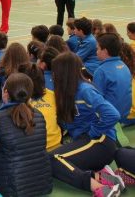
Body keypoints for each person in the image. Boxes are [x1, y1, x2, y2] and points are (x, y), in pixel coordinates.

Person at [50, 52, 124, 197]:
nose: (53, 74)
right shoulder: (66, 91)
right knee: (51, 161)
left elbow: (113, 114)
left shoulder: (85, 90)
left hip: (100, 142)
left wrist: (93, 132)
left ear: (63, 72)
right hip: (86, 142)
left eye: (55, 71)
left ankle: (101, 189)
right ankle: (106, 178)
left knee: (53, 159)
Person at [0, 73, 53, 197]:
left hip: (10, 188)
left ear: (5, 93)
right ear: (29, 95)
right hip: (42, 183)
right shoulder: (38, 115)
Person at [94, 33, 131, 123]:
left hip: (110, 118)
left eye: (98, 49)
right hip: (125, 114)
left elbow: (96, 100)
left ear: (105, 51)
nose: (96, 52)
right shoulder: (123, 65)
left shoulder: (101, 71)